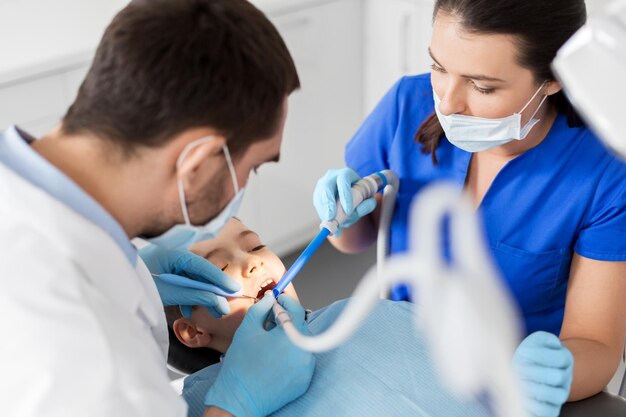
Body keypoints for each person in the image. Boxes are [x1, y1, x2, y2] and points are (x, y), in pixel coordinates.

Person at [0, 1, 315, 416]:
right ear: (197, 164)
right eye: (252, 166)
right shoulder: (85, 351)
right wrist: (237, 404)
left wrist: (136, 273)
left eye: (254, 246)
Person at [313, 0, 626, 415]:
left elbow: (597, 345)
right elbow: (354, 241)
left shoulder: (604, 170)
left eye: (483, 87)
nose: (447, 103)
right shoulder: (407, 104)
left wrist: (557, 374)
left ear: (552, 79)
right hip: (395, 363)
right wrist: (341, 214)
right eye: (439, 68)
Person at [164, 218, 491, 417]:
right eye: (219, 267)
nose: (252, 263)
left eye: (255, 245)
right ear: (192, 332)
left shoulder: (365, 315)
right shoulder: (198, 404)